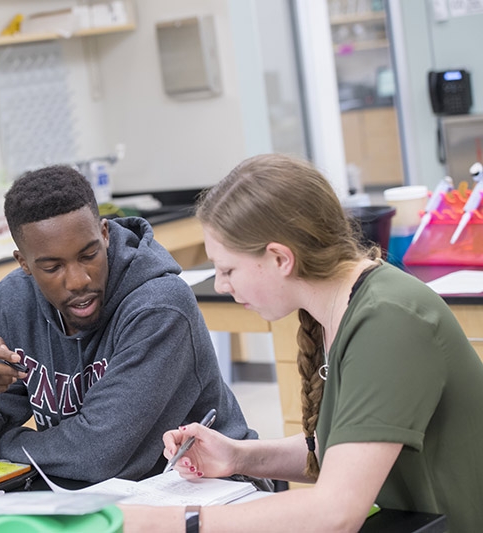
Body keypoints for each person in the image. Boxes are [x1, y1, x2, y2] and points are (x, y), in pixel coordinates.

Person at [120, 153, 483, 531]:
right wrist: (239, 456)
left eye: (228, 269)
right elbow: (347, 448)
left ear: (280, 258)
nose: (222, 285)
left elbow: (336, 512)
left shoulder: (389, 319)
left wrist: (170, 523)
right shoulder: (344, 306)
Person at [0, 164, 258, 483]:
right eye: (52, 267)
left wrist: (3, 445)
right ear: (24, 263)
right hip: (95, 495)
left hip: (212, 489)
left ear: (104, 234)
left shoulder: (159, 305)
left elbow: (97, 456)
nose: (78, 280)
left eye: (88, 254)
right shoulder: (9, 305)